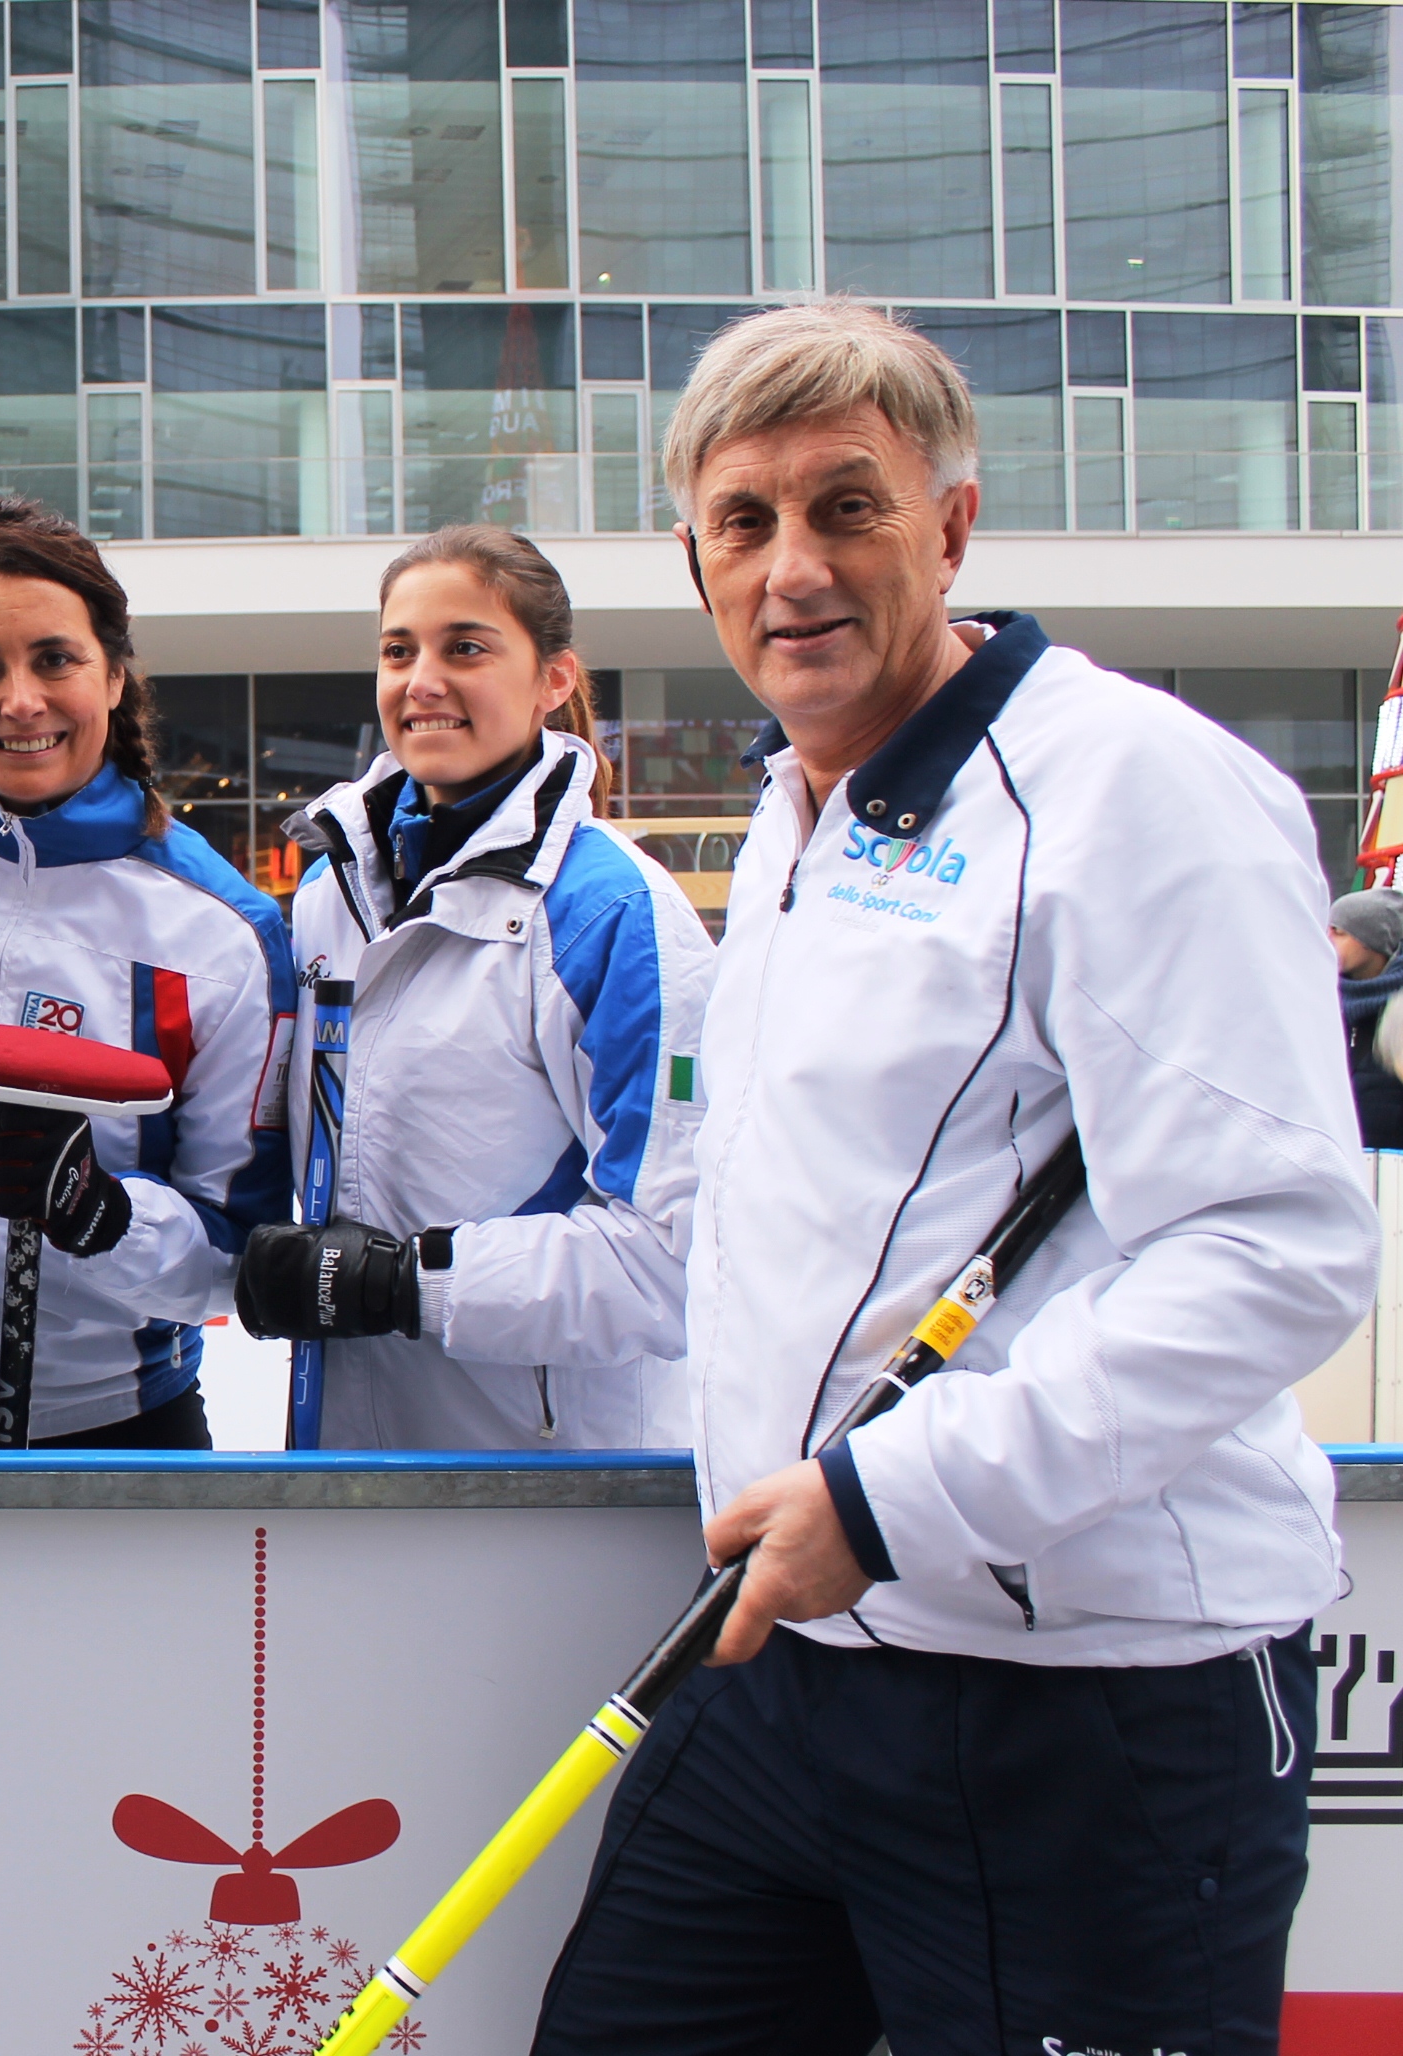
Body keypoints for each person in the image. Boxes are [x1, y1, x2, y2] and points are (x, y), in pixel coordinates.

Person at [528, 300, 1370, 2056]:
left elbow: (1273, 1251)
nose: (791, 568)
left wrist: (902, 1505)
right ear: (691, 559)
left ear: (952, 527)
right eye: (741, 524)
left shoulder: (1136, 790)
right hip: (787, 1669)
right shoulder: (794, 811)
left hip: (1088, 1712)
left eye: (848, 508)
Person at [234, 527, 712, 1449]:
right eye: (398, 650)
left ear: (553, 680)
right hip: (350, 1464)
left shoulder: (612, 913)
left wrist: (411, 1282)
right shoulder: (333, 889)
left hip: (546, 1483)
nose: (423, 680)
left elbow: (672, 1259)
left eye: (467, 648)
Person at [0, 497, 296, 1448]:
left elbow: (236, 1254)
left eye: (55, 659)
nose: (20, 701)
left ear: (116, 673)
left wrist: (102, 1214)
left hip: (117, 1423)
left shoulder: (222, 931)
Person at [1327, 886, 1403, 1149]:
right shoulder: (1325, 1001)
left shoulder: (1397, 1007)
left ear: (1374, 940)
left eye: (1340, 932)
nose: (1327, 939)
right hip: (1342, 1160)